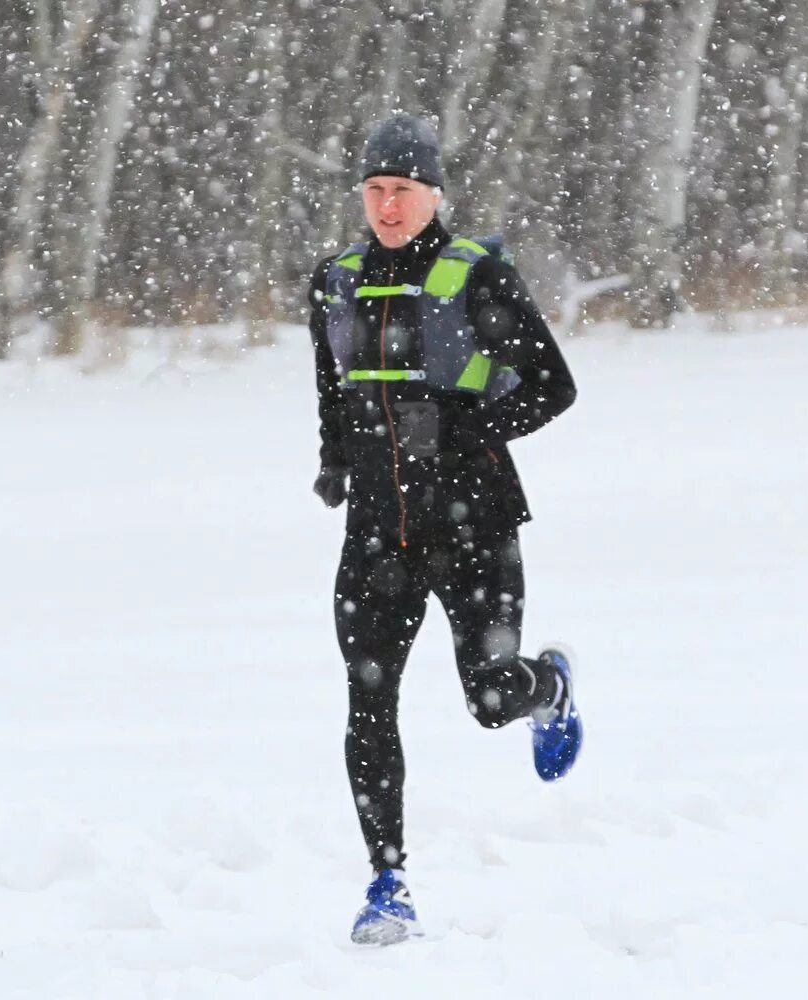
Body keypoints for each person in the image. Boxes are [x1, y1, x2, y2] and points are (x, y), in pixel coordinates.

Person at [307, 114, 583, 946]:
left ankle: (549, 690)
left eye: (403, 190)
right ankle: (387, 882)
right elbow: (332, 385)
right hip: (378, 531)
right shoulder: (336, 279)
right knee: (368, 703)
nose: (388, 207)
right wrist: (333, 460)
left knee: (489, 700)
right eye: (375, 191)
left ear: (433, 193)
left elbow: (552, 386)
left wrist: (468, 432)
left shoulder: (479, 277)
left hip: (475, 523)